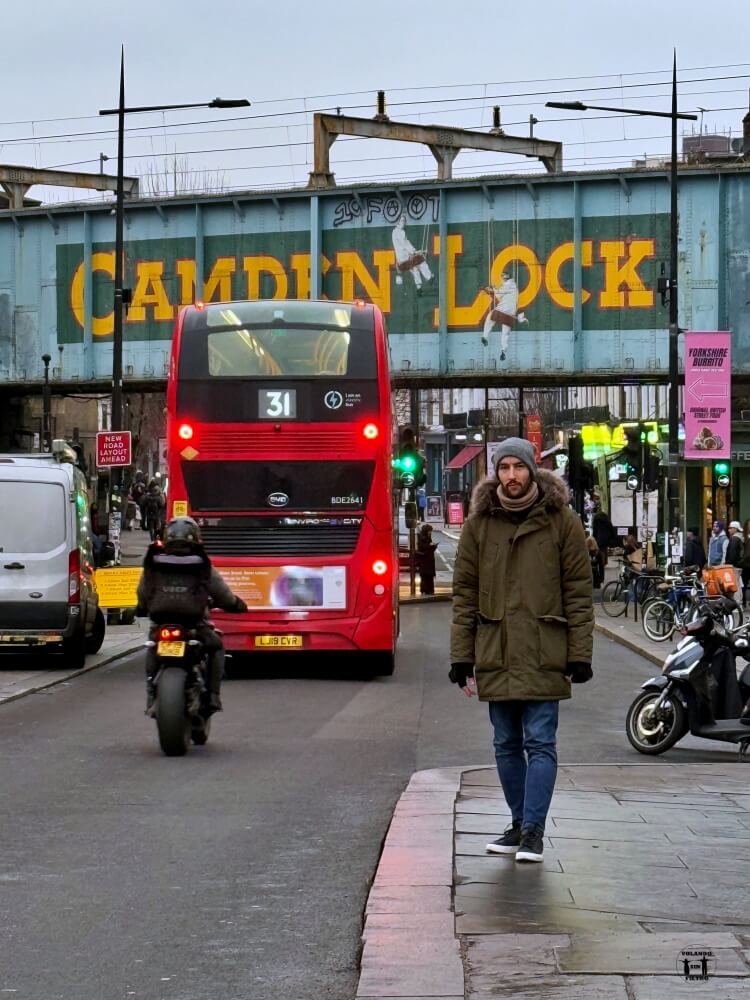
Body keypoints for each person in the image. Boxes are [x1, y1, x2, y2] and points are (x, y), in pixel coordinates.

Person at [450, 438, 593, 864]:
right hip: (496, 647)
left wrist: (579, 653)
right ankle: (518, 824)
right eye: (504, 468)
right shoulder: (479, 525)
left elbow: (579, 593)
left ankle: (533, 831)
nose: (511, 476)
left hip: (545, 647)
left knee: (541, 743)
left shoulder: (562, 522)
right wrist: (461, 656)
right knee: (505, 743)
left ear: (533, 470)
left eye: (519, 467)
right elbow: (464, 594)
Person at [136, 516, 247, 716]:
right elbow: (221, 594)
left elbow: (144, 591)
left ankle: (151, 695)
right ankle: (213, 695)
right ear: (196, 538)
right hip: (195, 624)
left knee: (152, 648)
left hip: (161, 622)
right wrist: (236, 605)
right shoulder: (202, 564)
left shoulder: (153, 562)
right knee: (216, 646)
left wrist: (142, 607)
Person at [480, 271, 528, 360]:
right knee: (505, 333)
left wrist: (493, 288)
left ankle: (484, 336)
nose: (502, 279)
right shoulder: (514, 286)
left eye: (502, 277)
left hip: (502, 310)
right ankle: (503, 351)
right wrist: (490, 290)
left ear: (505, 278)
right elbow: (501, 293)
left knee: (490, 318)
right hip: (510, 314)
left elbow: (498, 295)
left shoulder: (508, 285)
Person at [391, 215, 432, 289]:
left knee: (414, 268)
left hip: (401, 262)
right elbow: (406, 245)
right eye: (402, 221)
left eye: (404, 221)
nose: (404, 223)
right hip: (405, 260)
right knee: (421, 260)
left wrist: (416, 252)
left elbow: (404, 246)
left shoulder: (394, 232)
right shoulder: (400, 232)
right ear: (398, 222)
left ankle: (419, 287)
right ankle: (429, 277)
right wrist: (418, 252)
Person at [416, 523, 438, 595]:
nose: (430, 532)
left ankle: (428, 590)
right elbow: (423, 549)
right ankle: (426, 590)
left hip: (428, 562)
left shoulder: (428, 538)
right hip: (425, 562)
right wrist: (432, 547)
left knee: (428, 577)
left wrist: (433, 546)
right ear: (426, 531)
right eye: (429, 531)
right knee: (426, 577)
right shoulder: (423, 539)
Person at [726, 521, 744, 604]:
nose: (729, 530)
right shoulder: (740, 538)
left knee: (735, 585)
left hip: (734, 565)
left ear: (735, 529)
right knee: (738, 584)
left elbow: (732, 554)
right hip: (739, 564)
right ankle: (739, 602)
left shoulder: (734, 539)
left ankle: (736, 603)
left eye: (730, 528)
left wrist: (728, 563)